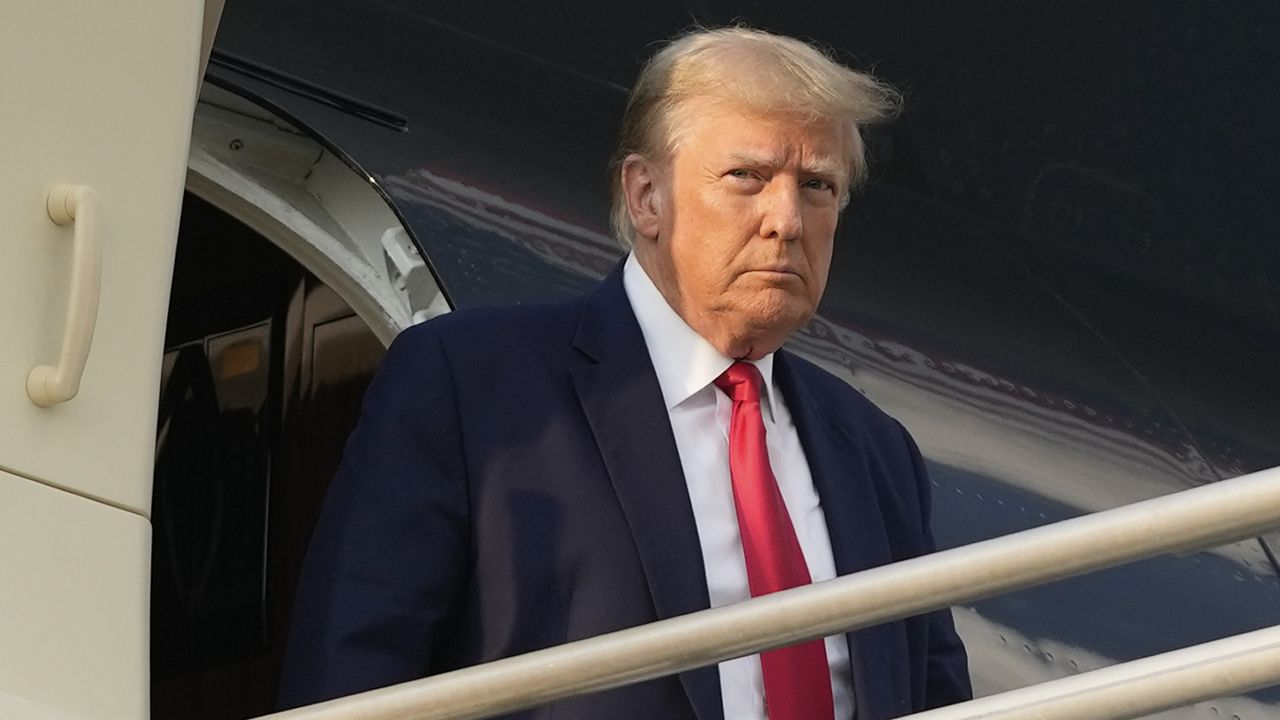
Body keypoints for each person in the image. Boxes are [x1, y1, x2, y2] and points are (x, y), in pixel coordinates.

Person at [279, 26, 971, 720]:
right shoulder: (471, 387)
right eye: (748, 177)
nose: (786, 220)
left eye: (817, 185)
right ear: (646, 196)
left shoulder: (875, 452)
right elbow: (349, 682)